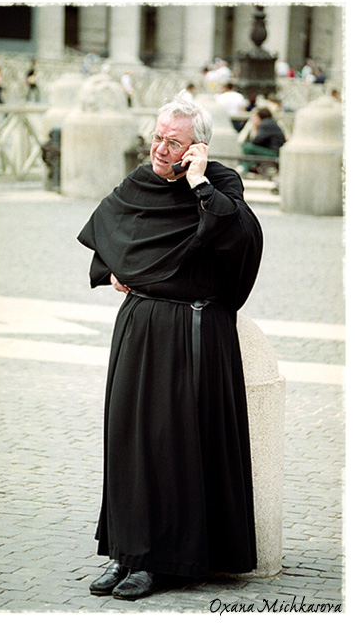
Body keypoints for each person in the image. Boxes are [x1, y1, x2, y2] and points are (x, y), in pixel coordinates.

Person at [78, 92, 262, 601]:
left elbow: (238, 239)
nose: (161, 148)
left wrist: (200, 182)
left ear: (197, 147)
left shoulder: (220, 184)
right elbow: (109, 233)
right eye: (158, 137)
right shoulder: (138, 182)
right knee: (130, 441)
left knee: (172, 443)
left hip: (195, 331)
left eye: (174, 142)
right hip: (140, 329)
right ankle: (127, 552)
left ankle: (166, 561)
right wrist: (112, 269)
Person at [240, 107, 286, 174]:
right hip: (275, 151)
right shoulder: (270, 122)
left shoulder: (265, 124)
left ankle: (247, 170)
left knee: (247, 147)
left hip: (274, 153)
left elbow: (256, 141)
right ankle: (253, 167)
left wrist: (255, 128)